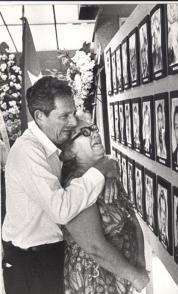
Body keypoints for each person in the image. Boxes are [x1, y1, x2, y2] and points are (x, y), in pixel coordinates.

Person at [1, 76, 118, 294]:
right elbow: (61, 210)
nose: (73, 122)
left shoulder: (52, 145)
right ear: (40, 117)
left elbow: (87, 152)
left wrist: (109, 168)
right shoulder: (29, 151)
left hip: (45, 258)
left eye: (73, 113)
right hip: (30, 263)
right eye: (64, 116)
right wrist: (102, 169)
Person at [60, 121, 150, 294]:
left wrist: (140, 261)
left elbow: (132, 220)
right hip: (95, 281)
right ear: (69, 152)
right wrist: (135, 277)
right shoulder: (76, 187)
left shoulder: (108, 175)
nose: (94, 133)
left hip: (122, 276)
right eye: (84, 133)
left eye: (94, 128)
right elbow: (95, 248)